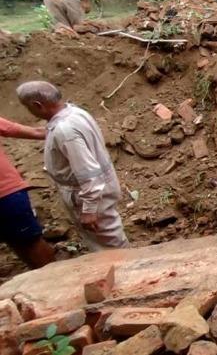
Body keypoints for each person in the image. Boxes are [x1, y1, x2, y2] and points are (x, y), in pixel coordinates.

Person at [16, 81, 129, 251]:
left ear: (37, 105)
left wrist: (89, 209)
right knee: (106, 239)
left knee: (109, 244)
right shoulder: (75, 112)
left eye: (27, 107)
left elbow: (88, 173)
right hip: (99, 188)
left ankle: (126, 271)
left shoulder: (65, 131)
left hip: (90, 193)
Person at [0, 117, 55, 268]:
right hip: (8, 193)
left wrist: (62, 131)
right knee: (15, 242)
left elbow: (32, 132)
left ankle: (55, 278)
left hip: (5, 194)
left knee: (30, 242)